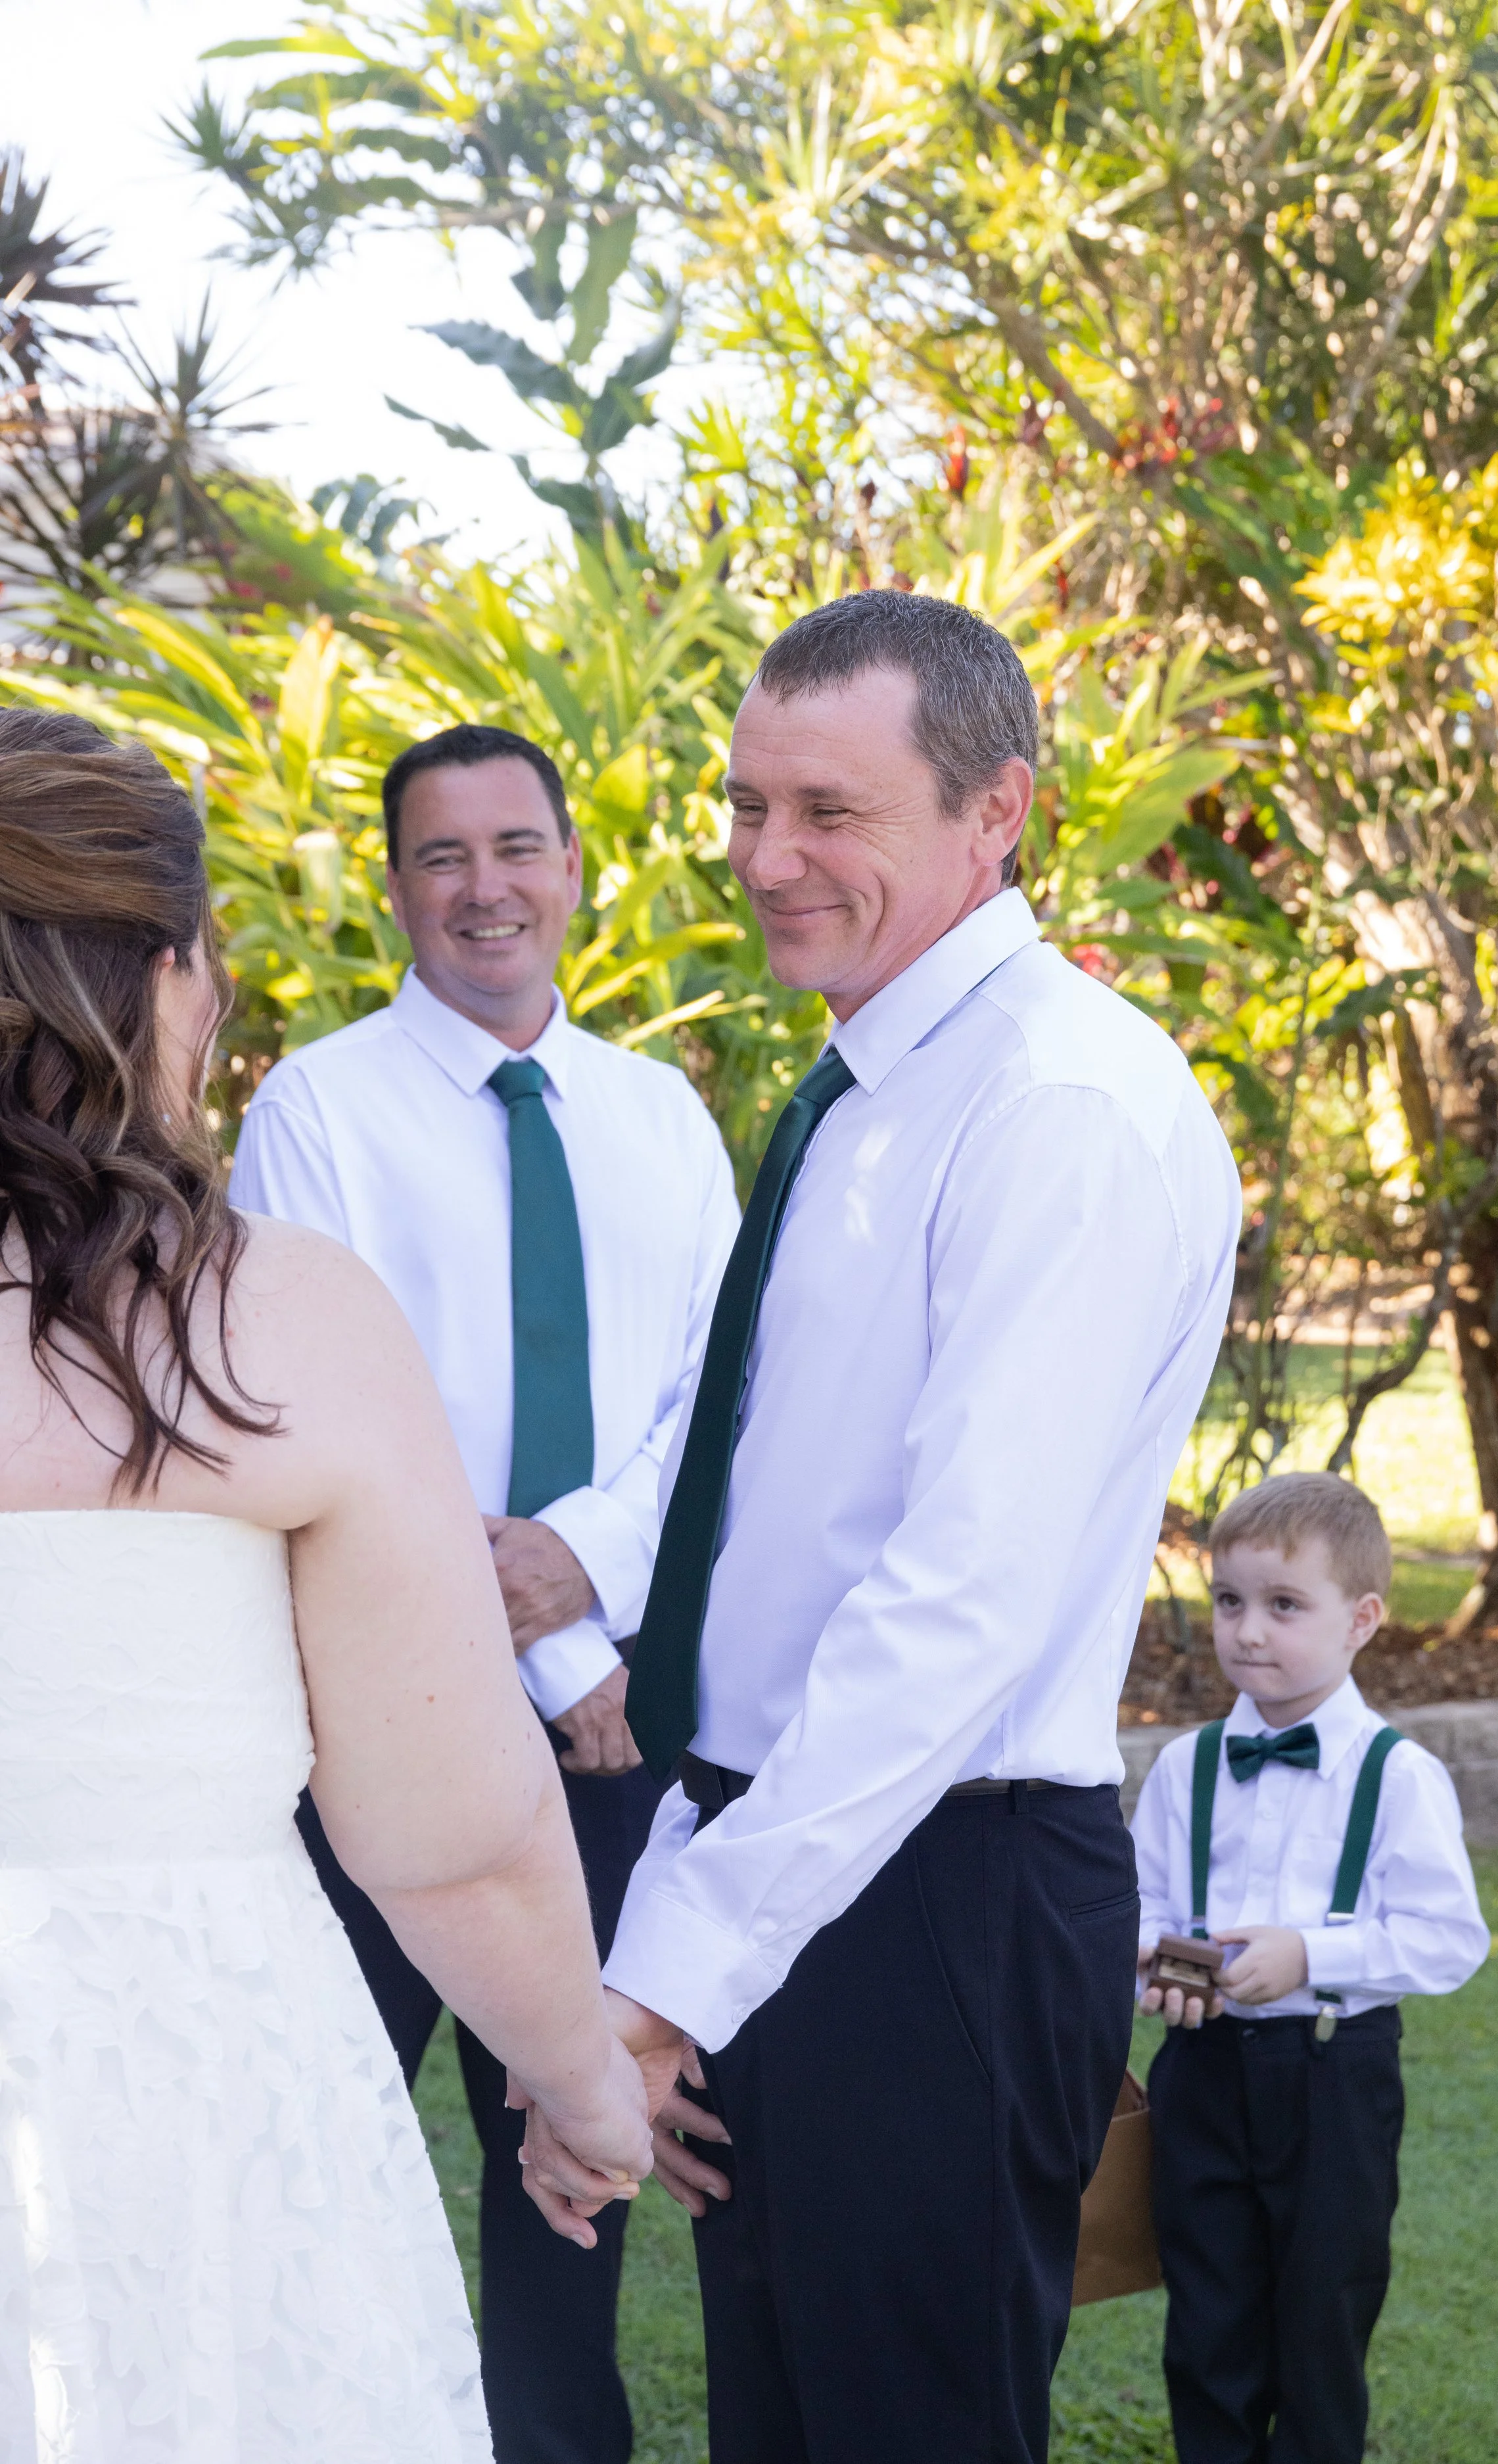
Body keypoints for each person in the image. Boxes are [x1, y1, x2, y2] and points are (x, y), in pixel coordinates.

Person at [566, 591, 1242, 2464]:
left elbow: (955, 1606)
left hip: (934, 1888)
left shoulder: (1058, 1106)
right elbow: (770, 1512)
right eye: (744, 801)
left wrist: (680, 1968)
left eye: (829, 812)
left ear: (995, 809)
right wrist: (698, 1912)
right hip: (800, 1861)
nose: (765, 857)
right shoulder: (870, 1087)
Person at [0, 705, 651, 2460]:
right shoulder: (276, 1317)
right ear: (161, 973)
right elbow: (451, 1826)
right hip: (200, 2118)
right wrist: (582, 2076)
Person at [229, 721, 738, 2464]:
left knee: (566, 2191)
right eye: (441, 857)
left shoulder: (663, 1121)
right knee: (329, 2151)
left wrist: (587, 1585)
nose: (482, 889)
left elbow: (720, 1403)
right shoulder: (315, 1111)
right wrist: (551, 1640)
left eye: (514, 847)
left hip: (616, 1750)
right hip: (373, 1731)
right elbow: (303, 1409)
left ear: (572, 868)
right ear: (395, 889)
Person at [1131, 1470, 1489, 2464]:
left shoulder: (1398, 1777)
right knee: (1209, 2318)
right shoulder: (1183, 1768)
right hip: (1201, 2076)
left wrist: (1308, 1956)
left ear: (1361, 1620)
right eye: (1230, 1602)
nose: (1249, 1630)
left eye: (1284, 1606)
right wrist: (1152, 1965)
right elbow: (1144, 1907)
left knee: (1322, 2316)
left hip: (1335, 2077)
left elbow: (1446, 1937)